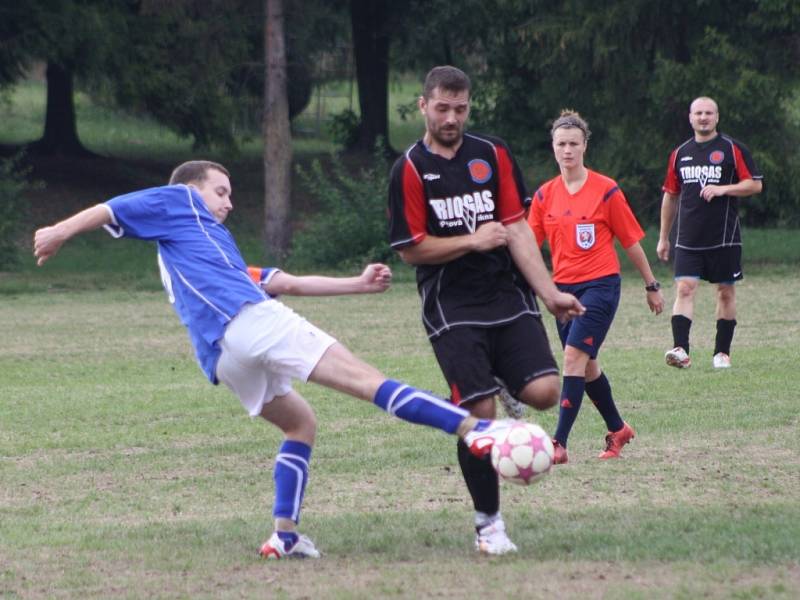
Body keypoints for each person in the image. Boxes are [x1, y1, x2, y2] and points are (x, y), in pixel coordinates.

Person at [33, 160, 515, 560]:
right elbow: (110, 208)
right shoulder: (178, 200)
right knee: (368, 380)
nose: (229, 201)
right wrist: (58, 230)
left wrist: (357, 283)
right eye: (220, 191)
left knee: (299, 424)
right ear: (191, 190)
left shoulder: (203, 248)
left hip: (224, 356)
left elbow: (286, 281)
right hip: (250, 322)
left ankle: (283, 534)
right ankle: (477, 429)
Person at [388, 66, 585, 556]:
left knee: (544, 393)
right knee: (477, 415)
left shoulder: (492, 153)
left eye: (460, 109)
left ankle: (501, 381)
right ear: (423, 106)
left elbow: (517, 230)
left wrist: (550, 292)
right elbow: (411, 249)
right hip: (450, 304)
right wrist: (471, 239)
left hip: (505, 294)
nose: (451, 118)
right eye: (442, 108)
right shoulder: (410, 169)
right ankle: (488, 523)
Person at [527, 110, 665, 464]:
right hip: (562, 293)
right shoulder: (544, 196)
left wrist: (651, 284)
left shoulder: (606, 190)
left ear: (585, 146)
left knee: (573, 358)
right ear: (553, 148)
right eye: (562, 144)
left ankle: (558, 443)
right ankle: (618, 429)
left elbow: (631, 240)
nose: (568, 150)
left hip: (600, 286)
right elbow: (527, 246)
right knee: (586, 366)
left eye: (574, 143)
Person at [657, 97, 763, 369]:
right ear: (690, 118)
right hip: (688, 238)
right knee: (684, 288)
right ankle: (681, 349)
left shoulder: (732, 148)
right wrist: (663, 237)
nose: (703, 117)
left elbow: (754, 185)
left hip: (724, 237)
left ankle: (722, 353)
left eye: (708, 113)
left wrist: (722, 189)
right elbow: (671, 196)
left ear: (717, 117)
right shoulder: (680, 153)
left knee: (725, 292)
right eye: (698, 113)